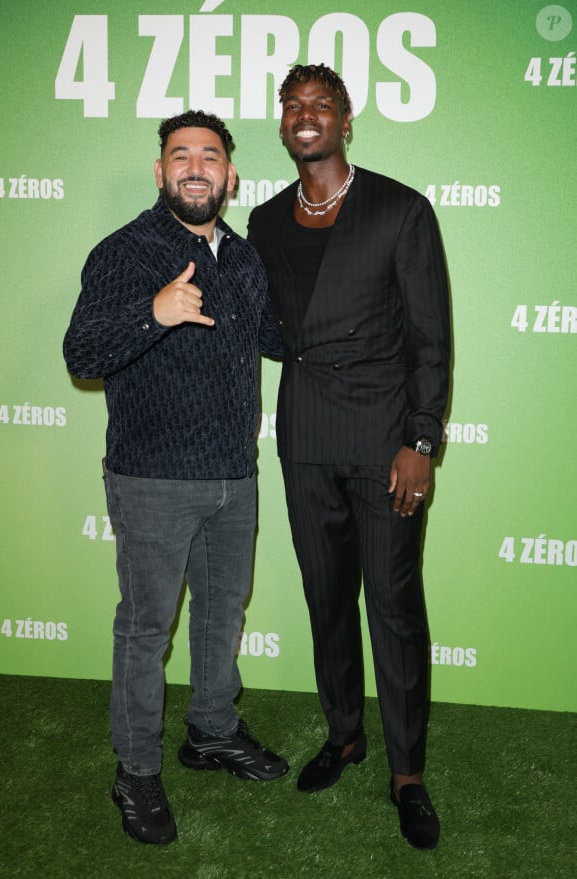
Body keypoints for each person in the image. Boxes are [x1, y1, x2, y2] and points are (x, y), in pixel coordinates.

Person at [63, 110, 288, 847]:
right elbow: (82, 353)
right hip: (153, 480)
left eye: (210, 156)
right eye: (180, 155)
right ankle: (135, 767)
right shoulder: (125, 252)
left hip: (234, 476)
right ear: (161, 172)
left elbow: (279, 337)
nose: (196, 166)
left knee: (223, 617)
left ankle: (212, 730)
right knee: (146, 630)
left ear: (229, 176)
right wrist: (153, 313)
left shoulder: (246, 258)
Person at [247, 64, 450, 850]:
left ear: (346, 119)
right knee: (326, 597)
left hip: (384, 443)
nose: (305, 117)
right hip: (304, 439)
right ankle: (345, 734)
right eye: (292, 106)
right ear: (282, 121)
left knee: (393, 607)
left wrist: (421, 439)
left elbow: (431, 338)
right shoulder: (266, 221)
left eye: (319, 106)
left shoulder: (400, 209)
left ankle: (407, 772)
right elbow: (270, 328)